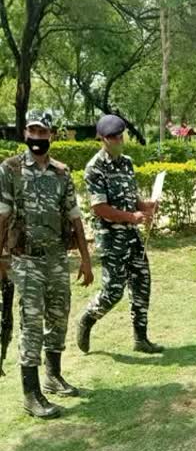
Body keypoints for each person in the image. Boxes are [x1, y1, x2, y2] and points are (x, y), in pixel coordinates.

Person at [0, 112, 94, 419]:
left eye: (42, 132)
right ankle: (31, 393)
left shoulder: (62, 173)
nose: (37, 137)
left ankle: (53, 376)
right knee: (31, 322)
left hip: (56, 258)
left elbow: (74, 216)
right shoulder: (10, 169)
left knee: (59, 315)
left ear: (51, 135)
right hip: (25, 259)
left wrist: (85, 258)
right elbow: (2, 216)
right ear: (25, 133)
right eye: (32, 131)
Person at [77, 115, 164, 355]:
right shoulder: (94, 168)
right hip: (111, 239)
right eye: (113, 137)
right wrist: (131, 217)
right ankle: (87, 318)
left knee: (141, 283)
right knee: (113, 291)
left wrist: (145, 205)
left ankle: (141, 338)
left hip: (132, 237)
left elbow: (130, 197)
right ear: (103, 139)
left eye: (120, 135)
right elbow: (99, 208)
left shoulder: (126, 163)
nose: (119, 140)